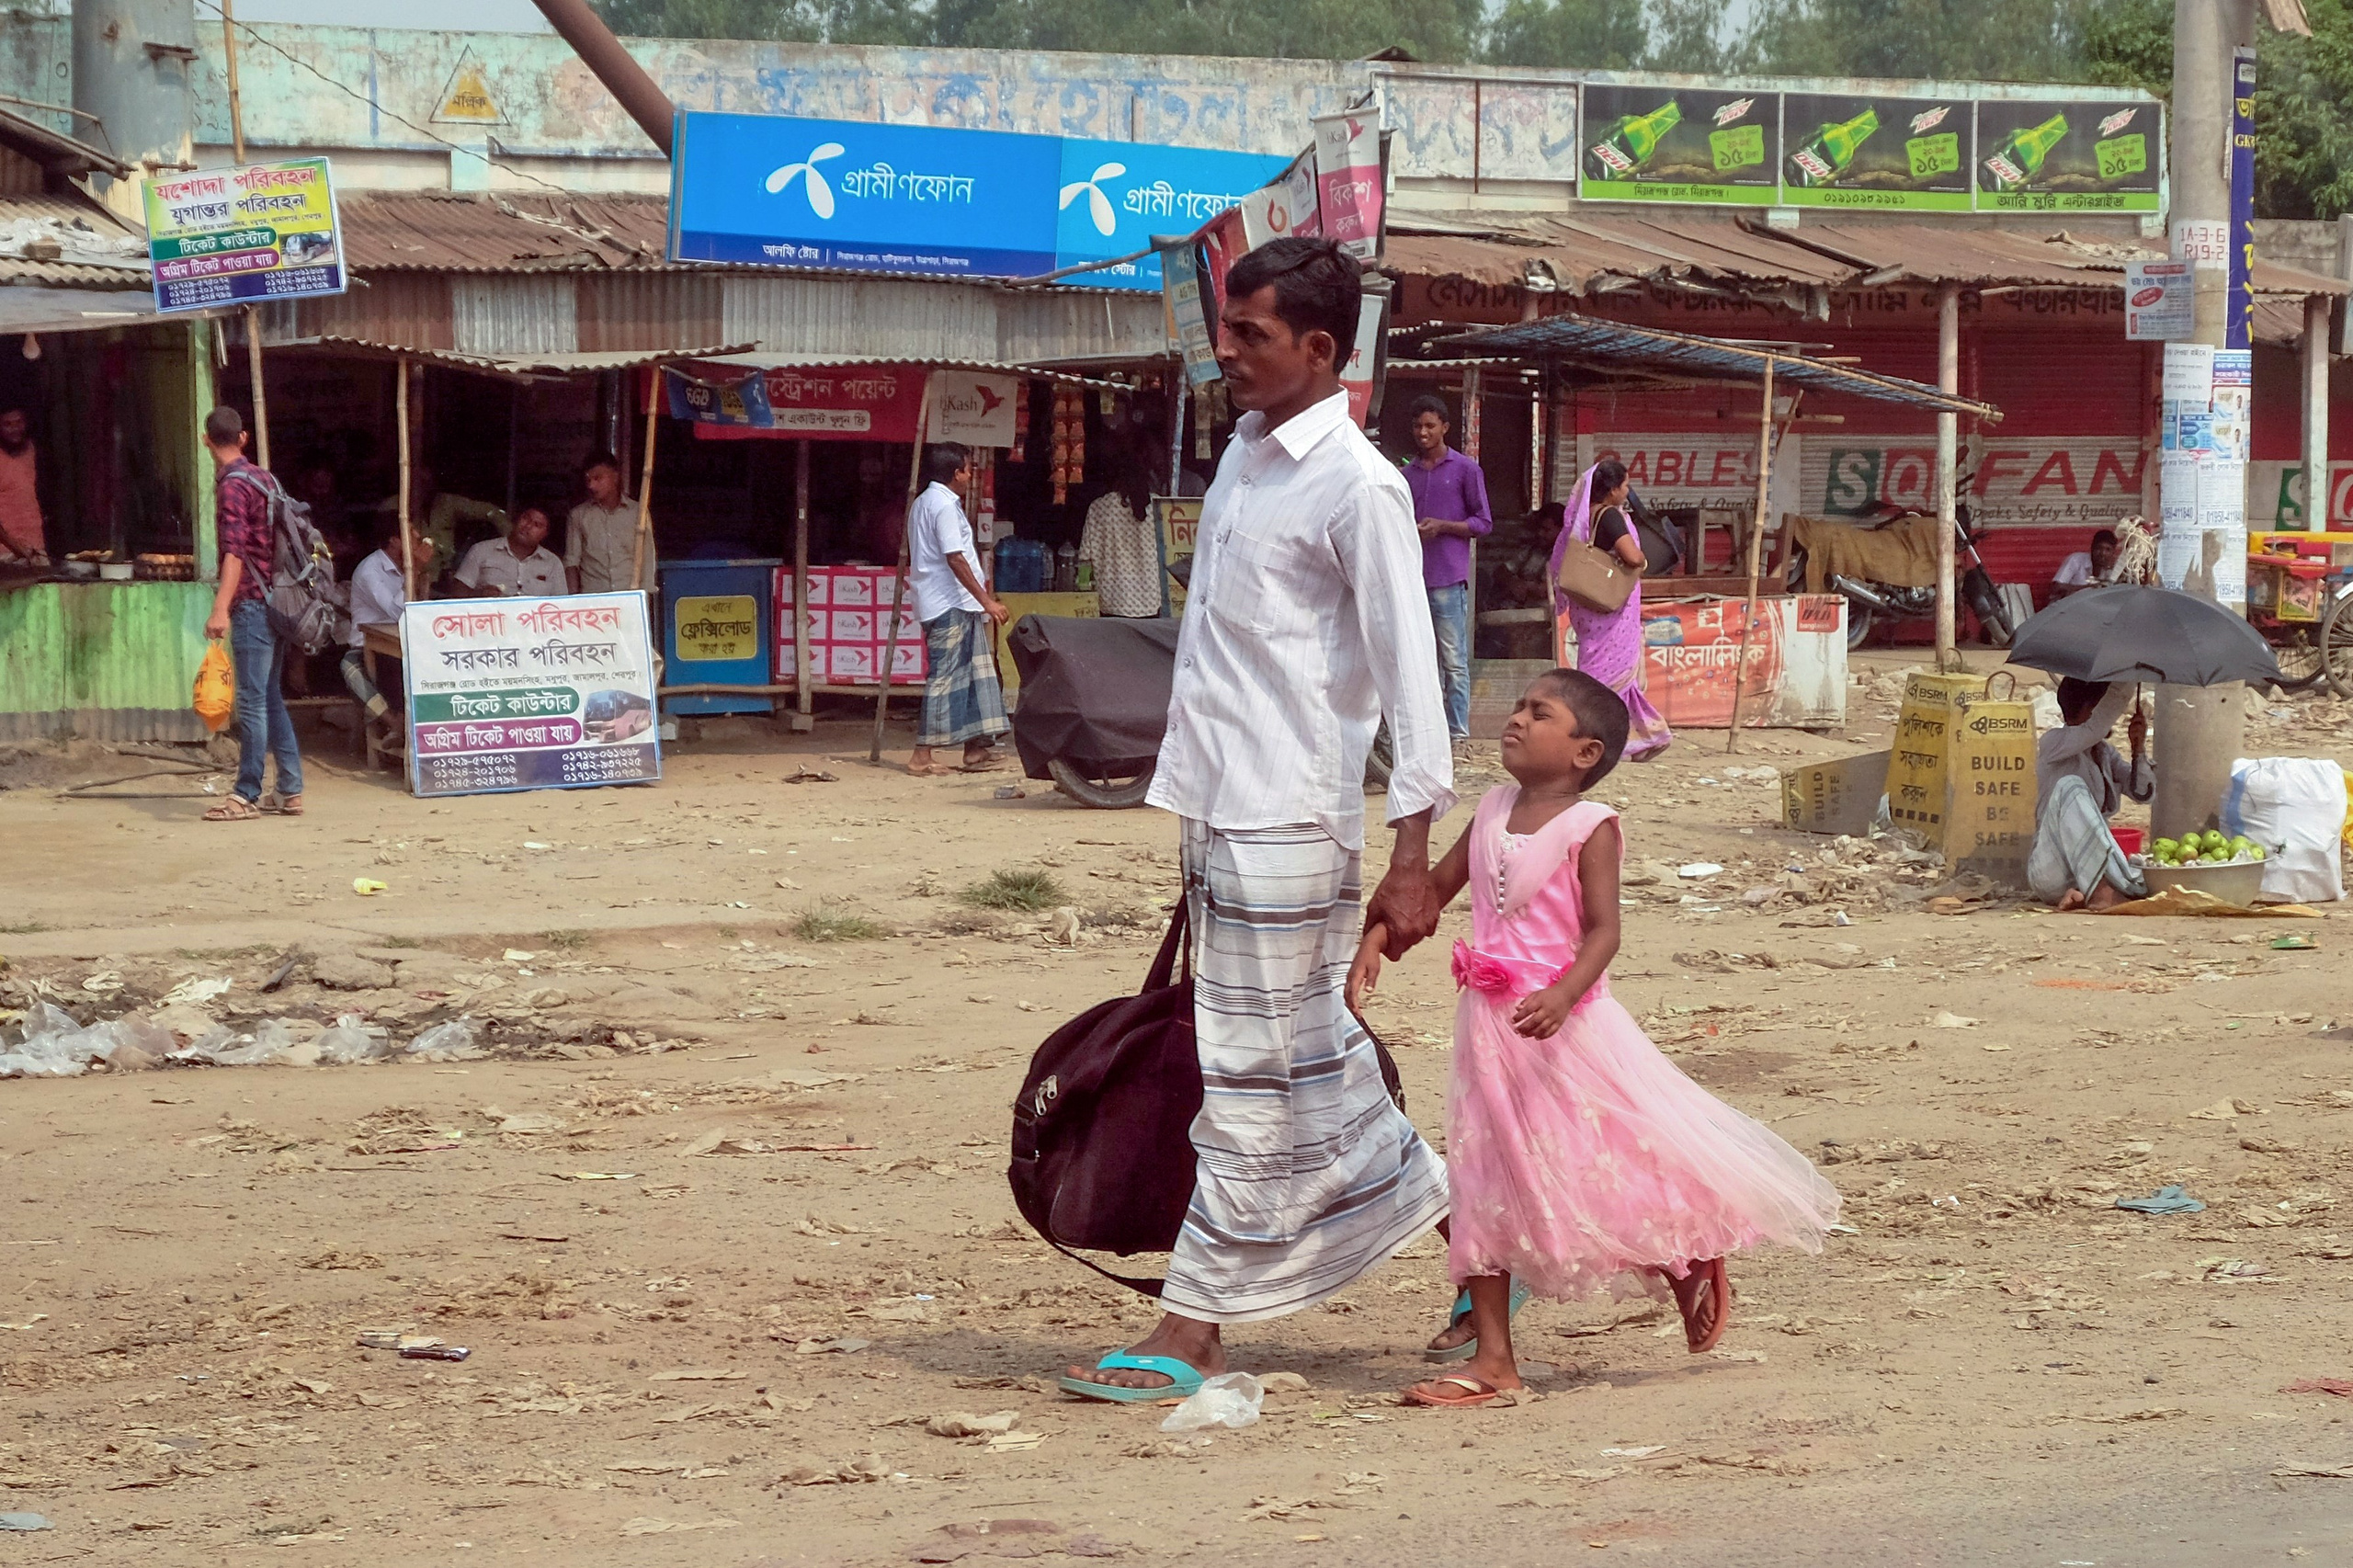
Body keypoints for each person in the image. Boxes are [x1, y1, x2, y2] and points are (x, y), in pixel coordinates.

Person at [1056, 236, 1455, 1402]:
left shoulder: (1359, 485)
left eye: (1252, 335)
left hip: (1291, 816)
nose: (1224, 350)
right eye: (1226, 328)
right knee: (1315, 1073)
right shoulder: (1240, 455)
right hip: (1218, 805)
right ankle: (1493, 1252)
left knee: (1241, 1079)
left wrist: (1413, 855)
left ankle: (1197, 1324)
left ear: (1321, 349)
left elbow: (1411, 677)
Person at [1348, 668, 1842, 1406]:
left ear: (1584, 753)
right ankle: (1494, 1361)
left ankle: (1688, 1254)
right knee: (1482, 1179)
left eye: (1538, 713)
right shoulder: (1488, 810)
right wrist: (1377, 941)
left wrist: (1563, 994)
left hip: (1565, 1026)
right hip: (1488, 1030)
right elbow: (1437, 892)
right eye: (1517, 707)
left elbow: (1604, 932)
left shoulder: (1591, 826)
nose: (1516, 720)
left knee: (1601, 1155)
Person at [200, 406, 303, 821]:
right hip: (277, 601)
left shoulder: (231, 487)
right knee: (269, 697)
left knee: (253, 702)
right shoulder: (265, 478)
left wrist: (219, 609)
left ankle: (245, 795)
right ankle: (291, 790)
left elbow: (234, 553)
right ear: (243, 438)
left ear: (207, 440)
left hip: (251, 606)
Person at [1552, 459, 1670, 761]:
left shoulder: (1582, 517)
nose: (1628, 492)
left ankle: (1644, 737)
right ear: (1613, 490)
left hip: (1587, 606)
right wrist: (1643, 558)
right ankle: (1602, 739)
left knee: (1602, 671)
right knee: (1609, 677)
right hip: (1610, 609)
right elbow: (1631, 557)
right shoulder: (1610, 517)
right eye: (1626, 486)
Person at [905, 441, 1012, 776]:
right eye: (968, 469)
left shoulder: (925, 501)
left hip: (955, 603)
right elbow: (955, 558)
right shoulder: (943, 506)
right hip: (947, 602)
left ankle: (975, 749)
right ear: (957, 473)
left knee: (975, 675)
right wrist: (988, 602)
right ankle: (921, 755)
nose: (970, 475)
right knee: (945, 676)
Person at [1401, 393, 1492, 743]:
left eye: (1430, 425)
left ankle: (1457, 733)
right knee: (1420, 661)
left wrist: (1443, 526)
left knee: (1453, 660)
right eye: (1417, 426)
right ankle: (1427, 733)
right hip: (1411, 578)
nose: (1423, 432)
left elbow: (1483, 523)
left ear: (1445, 428)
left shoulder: (1466, 470)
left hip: (1448, 578)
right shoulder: (1405, 474)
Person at [2029, 677, 2153, 912]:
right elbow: (2095, 728)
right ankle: (2100, 893)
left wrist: (2139, 749)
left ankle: (2084, 892)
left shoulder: (2104, 753)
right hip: (2052, 870)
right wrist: (2127, 681)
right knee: (2070, 786)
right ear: (2090, 710)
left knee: (2145, 868)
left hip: (2090, 869)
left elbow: (2143, 794)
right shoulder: (2053, 743)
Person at [341, 514, 434, 757]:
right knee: (350, 667)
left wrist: (418, 575)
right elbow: (397, 613)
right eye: (412, 533)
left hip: (404, 647)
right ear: (394, 539)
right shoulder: (370, 570)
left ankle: (405, 730)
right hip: (368, 648)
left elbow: (421, 610)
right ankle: (396, 724)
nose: (418, 538)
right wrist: (413, 572)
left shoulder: (409, 567)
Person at [1079, 440, 1164, 618]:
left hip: (1111, 603)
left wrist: (1083, 591)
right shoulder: (1157, 507)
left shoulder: (1099, 508)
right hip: (1150, 603)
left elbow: (1085, 558)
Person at [376, 463, 507, 570]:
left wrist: (510, 541)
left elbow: (491, 512)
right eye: (418, 482)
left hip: (445, 574)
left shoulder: (447, 502)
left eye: (427, 483)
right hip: (406, 574)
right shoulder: (392, 506)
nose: (422, 488)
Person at [564, 452, 654, 597]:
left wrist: (644, 596)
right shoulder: (578, 515)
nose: (592, 485)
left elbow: (647, 558)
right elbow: (571, 561)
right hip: (593, 599)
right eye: (588, 480)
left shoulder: (638, 512)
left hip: (630, 596)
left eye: (598, 478)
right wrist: (574, 599)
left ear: (615, 477)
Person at [455, 505, 564, 597]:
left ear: (545, 534)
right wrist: (479, 594)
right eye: (525, 518)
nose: (527, 526)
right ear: (516, 520)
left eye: (537, 525)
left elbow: (561, 605)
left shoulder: (552, 563)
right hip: (489, 620)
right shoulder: (481, 550)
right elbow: (456, 593)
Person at [0, 408, 48, 569]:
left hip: (35, 549)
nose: (15, 429)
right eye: (7, 424)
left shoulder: (30, 450)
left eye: (19, 422)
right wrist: (18, 549)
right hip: (5, 556)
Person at [2051, 528, 2122, 600]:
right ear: (2092, 548)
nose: (2102, 553)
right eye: (2099, 548)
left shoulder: (2113, 571)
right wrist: (2089, 588)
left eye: (2108, 550)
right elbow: (2056, 588)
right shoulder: (2076, 560)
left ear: (2113, 553)